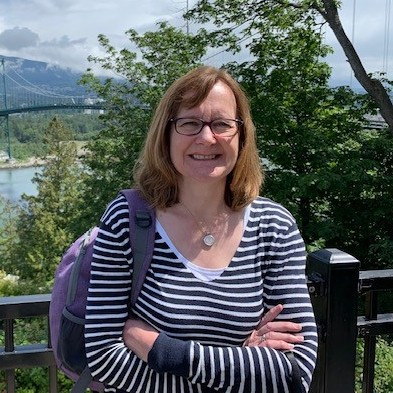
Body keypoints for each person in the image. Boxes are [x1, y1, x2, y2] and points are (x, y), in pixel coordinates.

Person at [85, 65, 318, 393]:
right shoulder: (127, 219)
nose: (207, 138)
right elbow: (104, 356)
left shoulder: (275, 228)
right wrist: (241, 362)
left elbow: (294, 373)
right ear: (167, 134)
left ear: (242, 135)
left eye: (222, 124)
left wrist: (159, 349)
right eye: (190, 123)